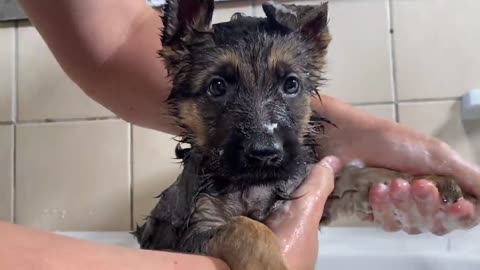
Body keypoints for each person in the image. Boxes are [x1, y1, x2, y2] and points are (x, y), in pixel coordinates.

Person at [1, 0, 478, 269]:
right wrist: (259, 251)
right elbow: (212, 236)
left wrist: (392, 176)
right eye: (218, 87)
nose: (265, 136)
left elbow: (116, 39)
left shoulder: (295, 149)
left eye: (290, 85)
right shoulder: (208, 194)